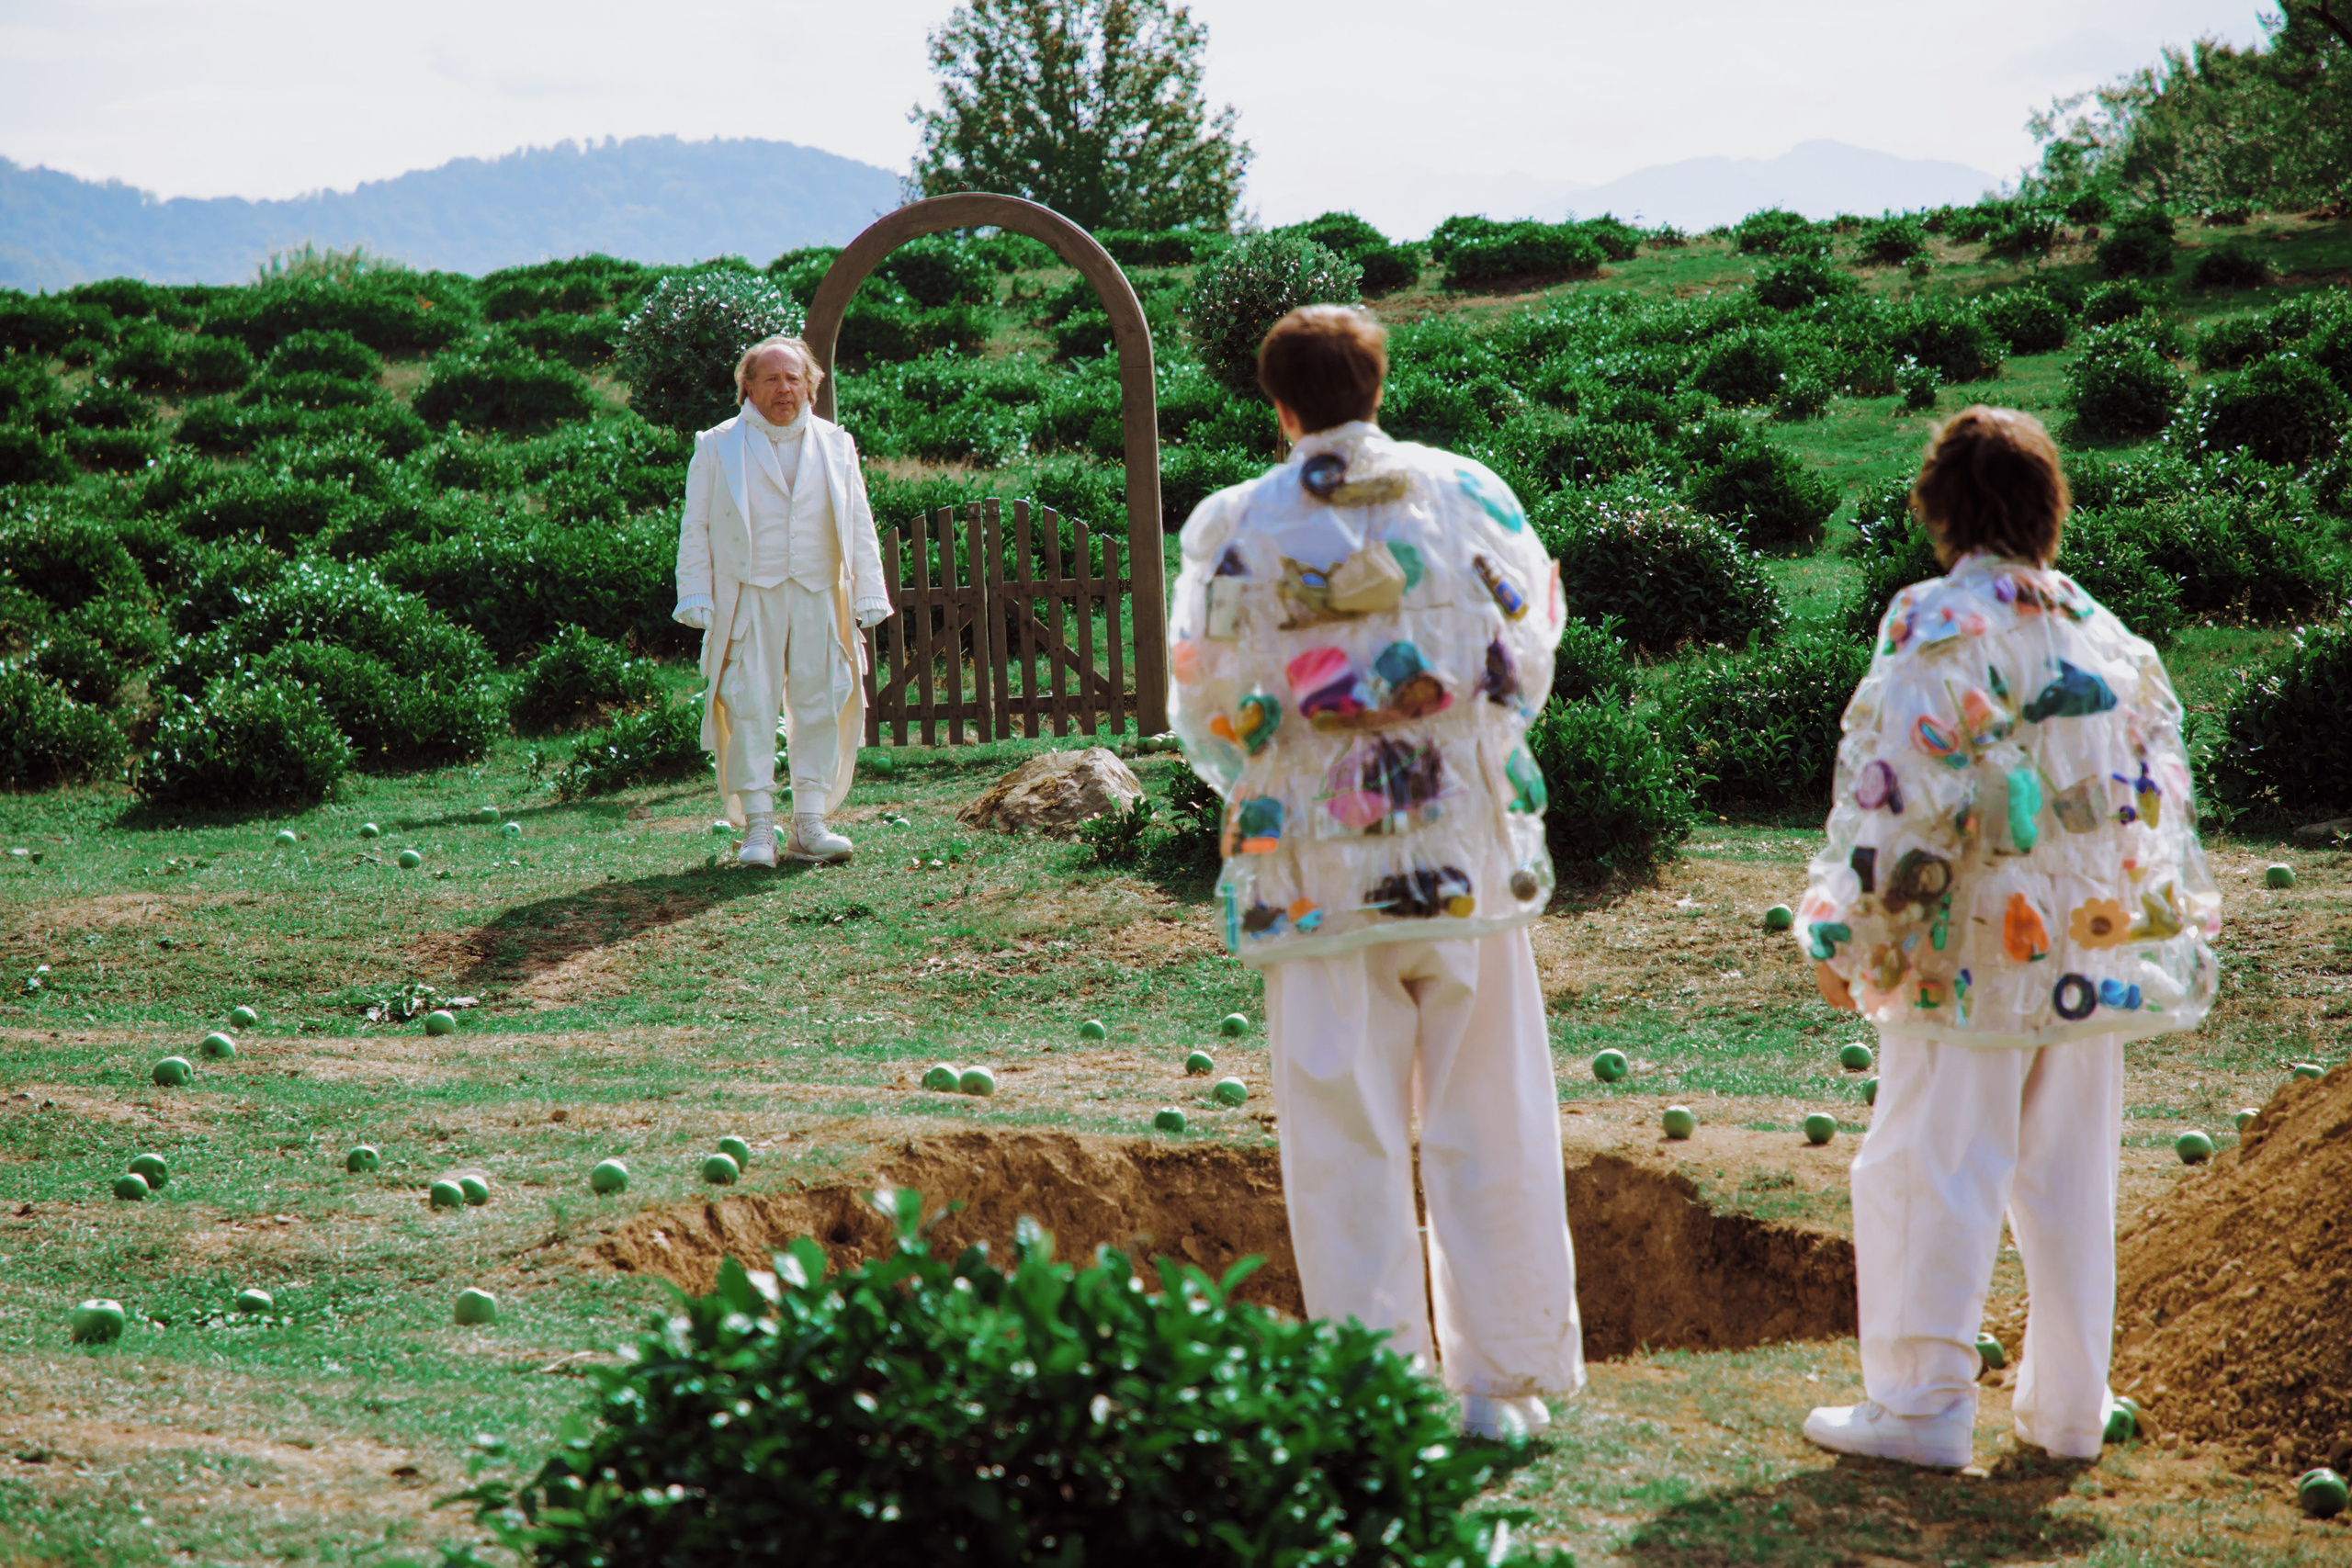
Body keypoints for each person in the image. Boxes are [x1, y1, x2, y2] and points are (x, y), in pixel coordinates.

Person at [1167, 304, 1581, 1441]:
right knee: (1491, 1113)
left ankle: (1379, 1388)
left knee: (1342, 1134)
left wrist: (1277, 780)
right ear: (1378, 384)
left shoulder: (1233, 523)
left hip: (1311, 876)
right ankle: (1499, 1387)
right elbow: (1527, 655)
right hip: (1469, 862)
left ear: (1279, 403)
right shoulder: (1473, 493)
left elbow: (1204, 703)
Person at [1794, 406, 2220, 1467]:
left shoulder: (1936, 622)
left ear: (1940, 510)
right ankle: (2070, 1411)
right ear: (2047, 508)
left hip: (1965, 953)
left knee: (1928, 1164)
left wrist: (1850, 938)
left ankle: (1920, 1404)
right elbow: (2153, 804)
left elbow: (1898, 799)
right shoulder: (2108, 634)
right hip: (2092, 952)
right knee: (2070, 1180)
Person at [673, 336, 892, 867]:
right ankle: (758, 831)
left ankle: (810, 824)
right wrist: (695, 592)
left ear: (811, 384)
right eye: (771, 378)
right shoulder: (717, 444)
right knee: (748, 702)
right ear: (747, 386)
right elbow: (696, 525)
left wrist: (869, 591)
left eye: (793, 378)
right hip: (748, 595)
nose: (783, 388)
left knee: (821, 699)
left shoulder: (837, 443)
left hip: (820, 591)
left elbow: (859, 521)